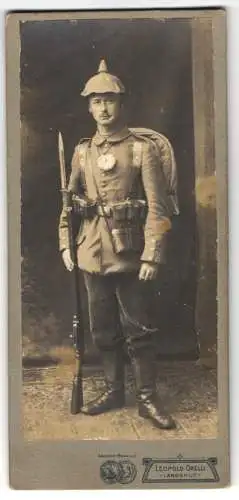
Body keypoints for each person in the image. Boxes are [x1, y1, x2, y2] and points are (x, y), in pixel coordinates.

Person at [59, 60, 177, 429]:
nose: (103, 108)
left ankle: (146, 398)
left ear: (121, 104)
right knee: (102, 329)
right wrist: (66, 243)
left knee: (138, 329)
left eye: (109, 100)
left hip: (129, 252)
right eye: (96, 101)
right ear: (89, 107)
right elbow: (69, 203)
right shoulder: (81, 152)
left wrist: (152, 255)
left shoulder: (142, 149)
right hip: (91, 252)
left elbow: (158, 208)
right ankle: (114, 392)